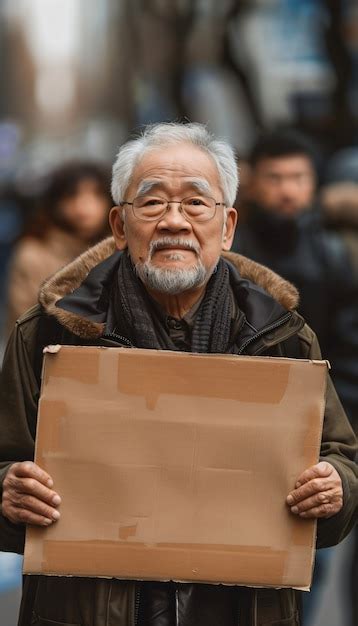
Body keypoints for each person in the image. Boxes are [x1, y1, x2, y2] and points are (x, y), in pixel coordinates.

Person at [0, 123, 357, 626]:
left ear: (227, 225)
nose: (174, 222)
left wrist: (335, 485)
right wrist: (10, 492)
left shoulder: (283, 339)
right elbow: (6, 463)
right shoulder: (48, 337)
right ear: (120, 227)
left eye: (195, 203)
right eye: (150, 204)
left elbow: (340, 457)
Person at [231, 129, 358, 624]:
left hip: (315, 434)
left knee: (312, 561)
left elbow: (350, 349)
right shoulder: (229, 253)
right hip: (242, 435)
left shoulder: (333, 255)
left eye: (298, 177)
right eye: (276, 177)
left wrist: (333, 428)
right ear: (253, 183)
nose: (287, 189)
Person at [5, 160, 112, 332]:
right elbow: (23, 322)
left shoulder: (121, 250)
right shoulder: (34, 252)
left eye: (96, 195)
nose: (84, 207)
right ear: (55, 202)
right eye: (73, 195)